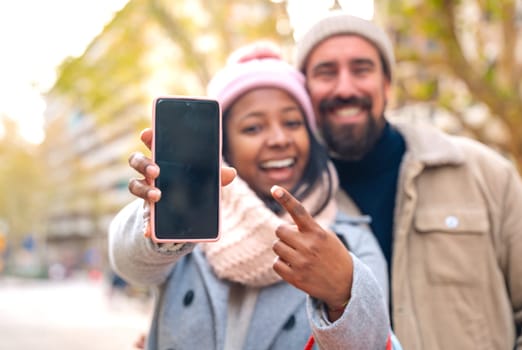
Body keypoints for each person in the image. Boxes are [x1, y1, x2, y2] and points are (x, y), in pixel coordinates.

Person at [109, 42, 400, 349]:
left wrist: (344, 295)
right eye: (253, 128)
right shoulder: (191, 223)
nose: (278, 139)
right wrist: (158, 216)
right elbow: (129, 264)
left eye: (292, 122)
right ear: (224, 145)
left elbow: (379, 341)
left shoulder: (349, 239)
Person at [294, 10, 522, 350]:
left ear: (387, 84)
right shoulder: (290, 201)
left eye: (361, 69)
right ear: (304, 91)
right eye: (326, 73)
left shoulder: (486, 173)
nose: (345, 87)